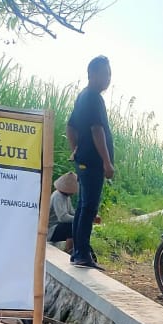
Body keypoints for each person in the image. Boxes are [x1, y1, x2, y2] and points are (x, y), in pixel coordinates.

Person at [65, 55, 114, 270]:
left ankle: (77, 252)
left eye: (110, 74)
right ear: (92, 74)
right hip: (92, 162)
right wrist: (107, 162)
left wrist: (75, 149)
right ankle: (82, 253)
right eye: (105, 74)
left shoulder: (83, 96)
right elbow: (97, 130)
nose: (108, 79)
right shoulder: (93, 98)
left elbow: (70, 127)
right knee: (89, 207)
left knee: (83, 207)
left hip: (83, 160)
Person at [47, 171, 77, 253]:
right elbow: (62, 217)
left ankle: (75, 249)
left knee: (77, 226)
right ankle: (69, 250)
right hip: (51, 230)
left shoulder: (66, 197)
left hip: (57, 228)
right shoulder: (57, 196)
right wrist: (78, 219)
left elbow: (71, 212)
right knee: (70, 226)